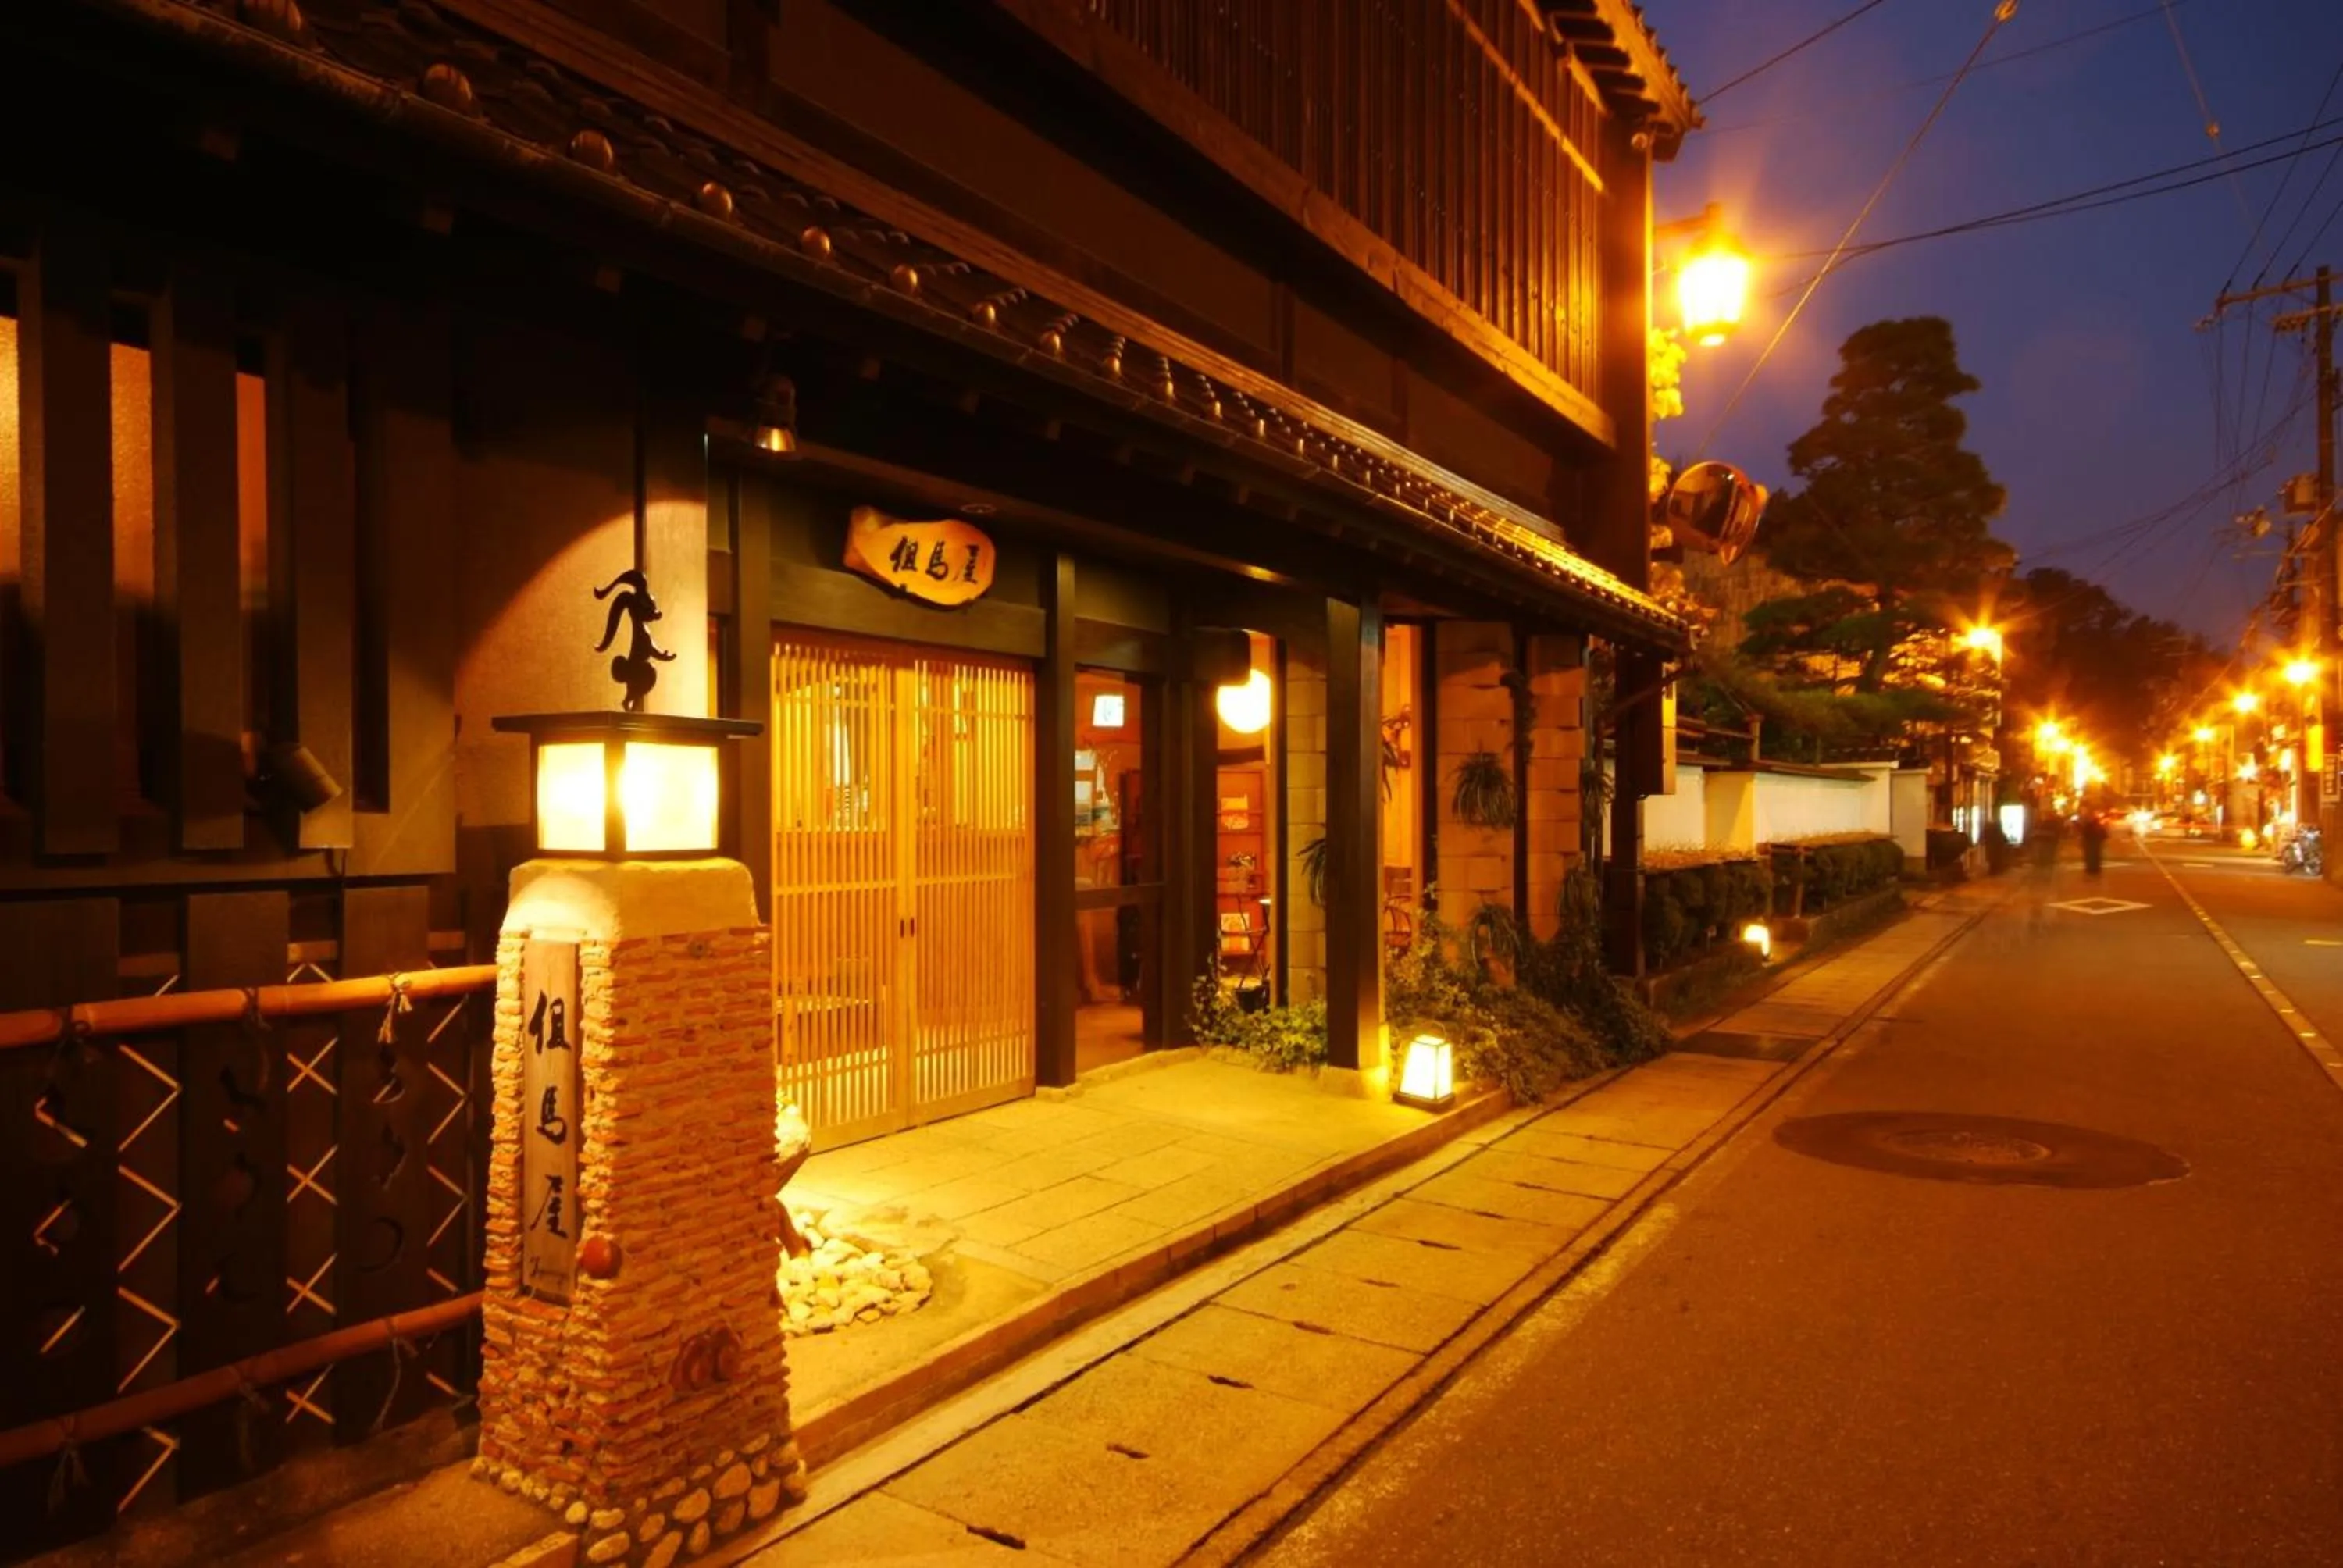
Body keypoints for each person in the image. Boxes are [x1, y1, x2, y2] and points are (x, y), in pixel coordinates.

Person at [2079, 804, 2108, 875]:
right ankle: (2095, 869)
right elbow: (2105, 835)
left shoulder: (2088, 826)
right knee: (2096, 856)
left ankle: (2090, 869)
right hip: (2096, 844)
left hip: (2090, 844)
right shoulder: (2099, 826)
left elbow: (2084, 834)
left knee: (2090, 856)